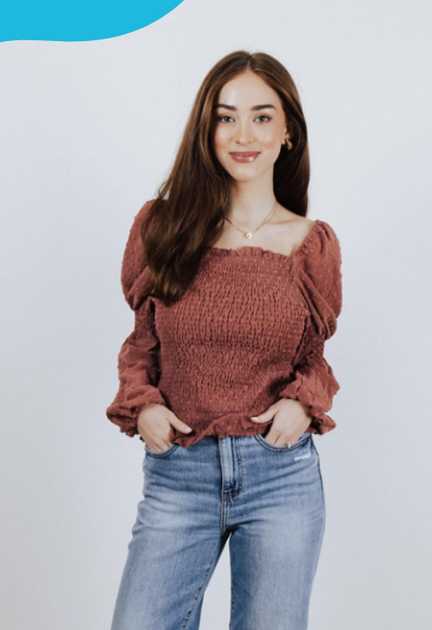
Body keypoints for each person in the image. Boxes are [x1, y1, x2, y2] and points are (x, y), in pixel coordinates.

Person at [105, 50, 341, 630]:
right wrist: (145, 407)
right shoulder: (161, 226)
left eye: (262, 117)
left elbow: (313, 357)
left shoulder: (312, 244)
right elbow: (143, 342)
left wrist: (300, 402)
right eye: (226, 117)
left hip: (279, 475)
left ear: (288, 133)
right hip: (178, 473)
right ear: (205, 130)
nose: (243, 134)